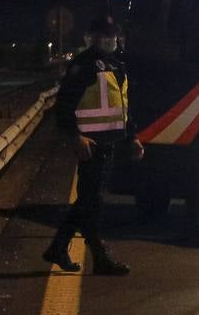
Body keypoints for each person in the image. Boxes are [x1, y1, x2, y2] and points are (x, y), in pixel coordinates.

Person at [44, 17, 143, 275]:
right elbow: (63, 107)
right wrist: (75, 137)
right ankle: (99, 256)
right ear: (92, 39)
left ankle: (59, 247)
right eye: (103, 37)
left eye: (111, 36)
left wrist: (132, 137)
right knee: (92, 201)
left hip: (109, 143)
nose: (108, 41)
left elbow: (122, 106)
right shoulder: (84, 66)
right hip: (91, 144)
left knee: (89, 200)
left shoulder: (116, 65)